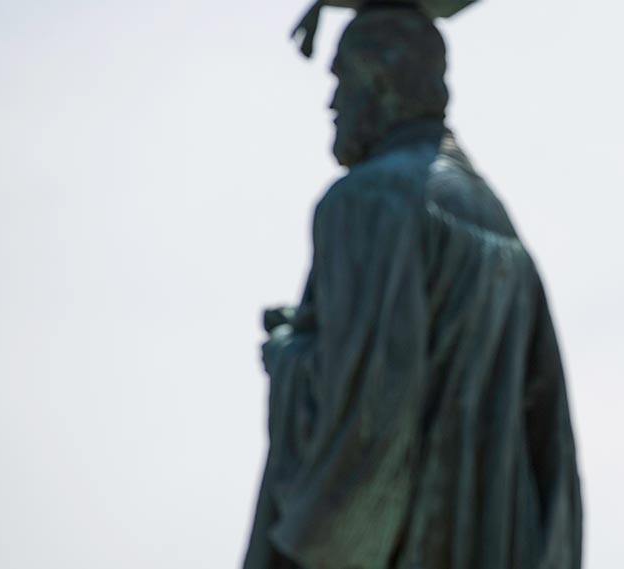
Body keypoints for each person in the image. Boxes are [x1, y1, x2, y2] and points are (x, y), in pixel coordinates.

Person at [245, 4, 582, 569]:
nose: (332, 104)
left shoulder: (368, 201)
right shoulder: (495, 217)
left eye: (341, 81)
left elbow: (366, 419)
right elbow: (549, 444)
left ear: (382, 81)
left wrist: (289, 357)